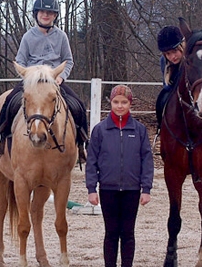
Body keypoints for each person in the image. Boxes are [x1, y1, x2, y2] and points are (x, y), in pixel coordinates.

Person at [0, 0, 88, 161]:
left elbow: (68, 60)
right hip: (31, 80)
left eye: (50, 13)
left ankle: (82, 143)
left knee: (78, 105)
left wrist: (61, 77)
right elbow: (21, 60)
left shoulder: (61, 36)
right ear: (36, 14)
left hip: (52, 81)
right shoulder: (28, 36)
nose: (46, 15)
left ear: (55, 16)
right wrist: (28, 76)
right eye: (43, 12)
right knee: (9, 102)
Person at [85, 85, 153, 267]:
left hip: (132, 190)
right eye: (116, 102)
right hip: (108, 189)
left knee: (128, 233)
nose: (120, 106)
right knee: (111, 232)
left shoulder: (139, 130)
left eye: (124, 102)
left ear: (130, 103)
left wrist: (146, 188)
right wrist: (91, 188)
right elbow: (92, 161)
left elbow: (147, 160)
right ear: (111, 103)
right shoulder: (100, 130)